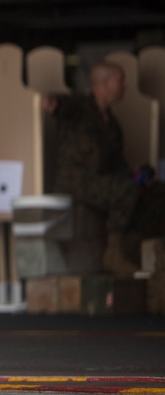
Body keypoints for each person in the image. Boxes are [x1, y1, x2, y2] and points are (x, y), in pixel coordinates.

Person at [43, 60, 164, 276]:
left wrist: (139, 177)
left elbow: (117, 166)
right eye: (121, 81)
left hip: (103, 183)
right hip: (77, 182)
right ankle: (113, 255)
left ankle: (139, 248)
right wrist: (53, 103)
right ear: (106, 83)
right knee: (125, 188)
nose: (124, 86)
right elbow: (62, 106)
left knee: (157, 193)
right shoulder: (81, 107)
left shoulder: (113, 125)